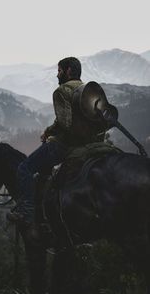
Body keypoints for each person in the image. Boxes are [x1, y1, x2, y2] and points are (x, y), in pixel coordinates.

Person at [7, 56, 101, 227]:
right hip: (89, 143)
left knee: (24, 168)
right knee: (44, 172)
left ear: (68, 71)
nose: (57, 75)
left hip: (64, 146)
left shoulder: (61, 91)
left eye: (59, 71)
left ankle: (25, 212)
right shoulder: (86, 89)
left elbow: (65, 123)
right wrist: (48, 131)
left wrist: (50, 135)